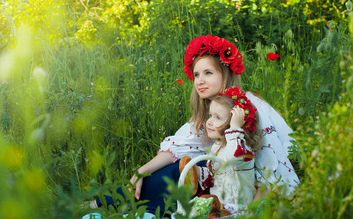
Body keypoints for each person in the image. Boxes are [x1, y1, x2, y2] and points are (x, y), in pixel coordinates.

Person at [94, 35, 300, 215]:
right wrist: (140, 171)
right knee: (175, 170)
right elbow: (178, 148)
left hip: (244, 187)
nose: (199, 81)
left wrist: (253, 210)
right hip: (218, 181)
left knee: (176, 173)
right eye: (196, 75)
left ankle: (111, 204)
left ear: (225, 74)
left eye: (208, 73)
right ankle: (107, 203)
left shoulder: (248, 105)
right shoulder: (206, 115)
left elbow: (269, 163)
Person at [187, 86, 262, 215]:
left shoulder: (243, 150)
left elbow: (233, 158)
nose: (209, 121)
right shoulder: (217, 147)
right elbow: (217, 175)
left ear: (236, 123)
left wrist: (235, 128)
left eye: (218, 118)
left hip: (239, 210)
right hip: (219, 207)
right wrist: (198, 172)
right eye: (210, 115)